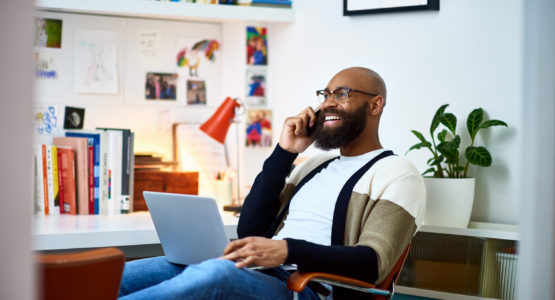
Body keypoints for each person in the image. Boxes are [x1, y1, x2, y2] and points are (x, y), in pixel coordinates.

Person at [118, 67, 426, 300]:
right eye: (326, 95)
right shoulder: (315, 166)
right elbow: (250, 229)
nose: (329, 103)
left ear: (375, 105)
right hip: (259, 272)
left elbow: (372, 263)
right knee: (124, 272)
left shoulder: (397, 174)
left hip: (305, 289)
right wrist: (284, 152)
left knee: (214, 273)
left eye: (342, 94)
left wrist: (287, 251)